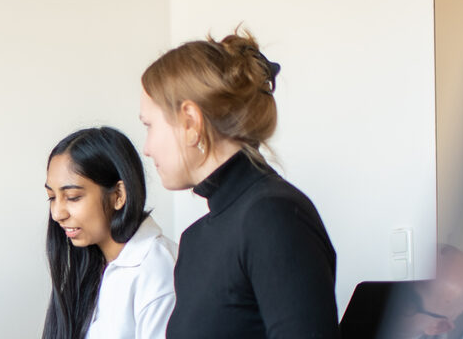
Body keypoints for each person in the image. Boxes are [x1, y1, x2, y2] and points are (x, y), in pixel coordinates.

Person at [138, 31, 340, 338]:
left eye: (149, 125)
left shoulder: (272, 216)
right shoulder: (194, 240)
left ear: (191, 121)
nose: (147, 148)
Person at [42, 127, 177, 339]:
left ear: (119, 195)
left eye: (73, 197)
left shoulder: (157, 268)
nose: (57, 213)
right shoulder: (90, 264)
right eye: (51, 197)